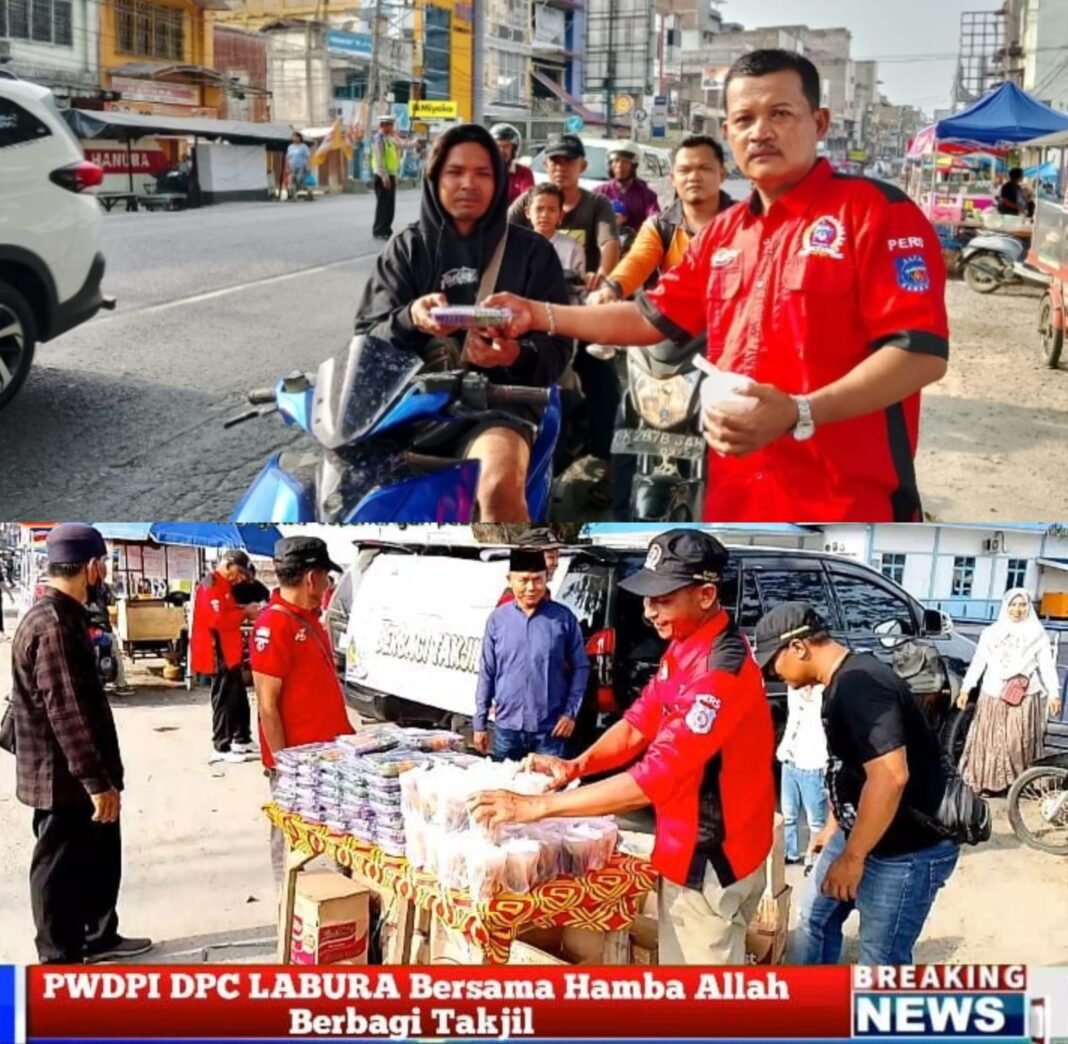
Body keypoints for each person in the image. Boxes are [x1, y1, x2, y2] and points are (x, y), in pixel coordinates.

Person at [485, 49, 949, 522]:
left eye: (780, 113)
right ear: (728, 133)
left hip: (846, 509)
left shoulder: (876, 212)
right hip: (732, 501)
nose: (761, 131)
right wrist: (540, 313)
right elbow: (650, 317)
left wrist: (799, 411)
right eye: (744, 118)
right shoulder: (724, 233)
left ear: (820, 122)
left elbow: (920, 354)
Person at [470, 530, 776, 965]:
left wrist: (534, 809)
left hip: (709, 861)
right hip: (718, 845)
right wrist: (575, 765)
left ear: (706, 595)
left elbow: (656, 777)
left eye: (663, 598)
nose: (649, 610)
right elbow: (637, 724)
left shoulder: (717, 673)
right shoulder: (687, 647)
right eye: (647, 597)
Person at [353, 123, 571, 523]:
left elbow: (557, 352)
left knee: (497, 484)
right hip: (404, 409)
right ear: (434, 178)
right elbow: (365, 340)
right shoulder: (406, 249)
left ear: (500, 179)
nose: (468, 183)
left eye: (482, 173)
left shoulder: (533, 254)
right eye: (455, 172)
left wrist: (513, 354)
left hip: (497, 406)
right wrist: (410, 319)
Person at [754, 602, 960, 965]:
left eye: (774, 664)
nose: (774, 674)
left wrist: (853, 857)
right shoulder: (839, 684)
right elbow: (851, 769)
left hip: (907, 849)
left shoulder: (860, 687)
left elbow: (891, 776)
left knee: (880, 957)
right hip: (860, 832)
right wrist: (833, 828)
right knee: (814, 920)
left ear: (799, 647)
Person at [10, 524, 152, 964]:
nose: (104, 574)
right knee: (58, 865)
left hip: (77, 771)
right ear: (91, 567)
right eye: (104, 566)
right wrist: (96, 782)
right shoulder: (53, 625)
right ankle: (59, 958)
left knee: (97, 854)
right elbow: (66, 712)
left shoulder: (63, 614)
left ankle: (98, 935)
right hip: (62, 776)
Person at [509, 133, 623, 506]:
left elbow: (609, 245)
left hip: (576, 312)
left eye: (568, 161)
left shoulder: (597, 205)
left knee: (602, 377)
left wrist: (601, 277)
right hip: (521, 311)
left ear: (581, 167)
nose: (561, 167)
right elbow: (495, 240)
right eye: (554, 161)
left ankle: (604, 462)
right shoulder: (527, 202)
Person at [250, 537, 357, 876]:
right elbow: (268, 706)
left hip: (332, 754)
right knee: (290, 841)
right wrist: (284, 767)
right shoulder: (274, 624)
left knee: (344, 835)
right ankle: (288, 910)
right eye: (326, 577)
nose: (328, 585)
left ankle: (347, 906)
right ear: (312, 578)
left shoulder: (310, 618)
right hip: (298, 762)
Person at [590, 135, 735, 305]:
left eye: (704, 168)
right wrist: (612, 287)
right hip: (673, 321)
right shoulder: (659, 227)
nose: (694, 177)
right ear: (673, 178)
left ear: (722, 174)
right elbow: (638, 260)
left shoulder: (746, 222)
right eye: (685, 170)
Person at [474, 548, 588, 760]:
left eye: (537, 580)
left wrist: (570, 713)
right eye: (523, 580)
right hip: (507, 730)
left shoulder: (563, 619)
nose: (530, 587)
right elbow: (487, 672)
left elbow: (581, 668)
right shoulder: (498, 620)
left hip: (551, 732)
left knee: (549, 791)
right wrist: (479, 723)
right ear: (510, 579)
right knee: (505, 787)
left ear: (547, 578)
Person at [957, 589, 1061, 796]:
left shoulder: (1037, 634)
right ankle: (987, 782)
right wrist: (965, 689)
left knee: (1017, 742)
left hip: (1024, 696)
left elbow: (1046, 665)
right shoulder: (991, 633)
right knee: (991, 742)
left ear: (1028, 607)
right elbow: (979, 663)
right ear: (1006, 606)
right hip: (993, 693)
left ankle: (1018, 785)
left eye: (1022, 605)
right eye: (1013, 605)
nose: (1017, 610)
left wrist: (1054, 693)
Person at [190, 549, 259, 764]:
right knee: (222, 697)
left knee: (238, 695)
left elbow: (228, 610)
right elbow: (216, 620)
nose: (239, 578)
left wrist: (244, 609)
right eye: (239, 572)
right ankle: (221, 744)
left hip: (231, 651)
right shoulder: (211, 584)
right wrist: (245, 613)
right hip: (216, 650)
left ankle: (242, 738)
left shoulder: (225, 585)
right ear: (228, 564)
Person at [776, 683, 828, 866]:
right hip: (789, 759)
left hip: (814, 764)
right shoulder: (794, 688)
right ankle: (790, 853)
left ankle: (813, 860)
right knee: (788, 815)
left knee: (815, 821)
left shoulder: (825, 691)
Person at [593, 139, 660, 236]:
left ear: (634, 165)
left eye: (625, 162)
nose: (619, 166)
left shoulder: (647, 196)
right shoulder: (599, 192)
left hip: (635, 246)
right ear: (610, 165)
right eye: (616, 161)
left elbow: (655, 218)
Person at [526, 182, 586, 279]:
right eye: (539, 209)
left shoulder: (573, 248)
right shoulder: (518, 245)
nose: (545, 215)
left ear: (561, 215)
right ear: (527, 212)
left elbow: (578, 287)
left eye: (552, 209)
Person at [371, 114, 401, 240]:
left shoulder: (389, 138)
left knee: (390, 205)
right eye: (389, 125)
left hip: (391, 175)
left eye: (392, 125)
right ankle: (379, 230)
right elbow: (380, 160)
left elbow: (399, 147)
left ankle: (387, 229)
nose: (392, 127)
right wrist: (385, 177)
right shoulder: (379, 139)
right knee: (383, 205)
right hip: (383, 176)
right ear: (383, 126)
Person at [491, 123, 534, 204]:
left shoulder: (524, 173)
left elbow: (527, 199)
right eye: (498, 146)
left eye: (506, 146)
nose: (501, 151)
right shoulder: (485, 172)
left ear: (513, 149)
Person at [285, 133, 311, 199]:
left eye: (296, 137)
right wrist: (287, 167)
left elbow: (307, 157)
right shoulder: (290, 147)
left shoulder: (303, 146)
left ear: (300, 138)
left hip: (301, 166)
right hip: (292, 166)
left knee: (299, 179)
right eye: (293, 137)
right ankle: (293, 196)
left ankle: (307, 191)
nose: (295, 138)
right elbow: (288, 157)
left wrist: (308, 166)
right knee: (292, 180)